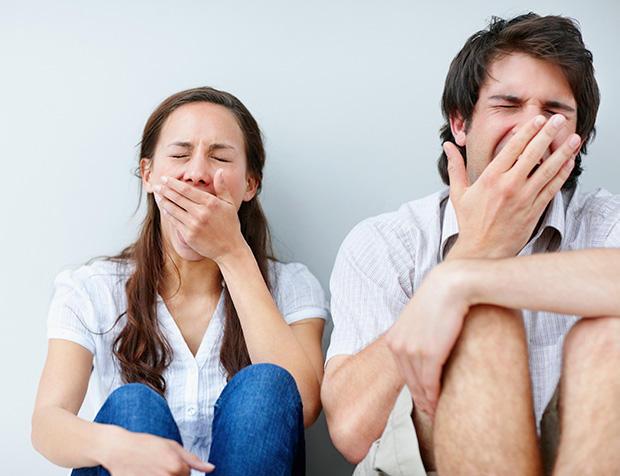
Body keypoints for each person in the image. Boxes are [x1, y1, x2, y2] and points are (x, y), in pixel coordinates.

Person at [321, 13, 620, 476]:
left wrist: (459, 282)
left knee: (609, 337)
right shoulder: (385, 242)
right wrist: (473, 250)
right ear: (460, 123)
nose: (532, 127)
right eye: (508, 105)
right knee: (482, 325)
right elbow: (353, 432)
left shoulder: (606, 222)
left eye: (554, 112)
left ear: (575, 141)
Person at [31, 87, 328, 476]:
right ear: (148, 174)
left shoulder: (292, 286)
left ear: (250, 184)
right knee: (133, 405)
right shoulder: (91, 288)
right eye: (179, 155)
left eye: (220, 157)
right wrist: (114, 445)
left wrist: (232, 254)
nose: (198, 173)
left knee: (266, 383)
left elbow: (302, 405)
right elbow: (47, 423)